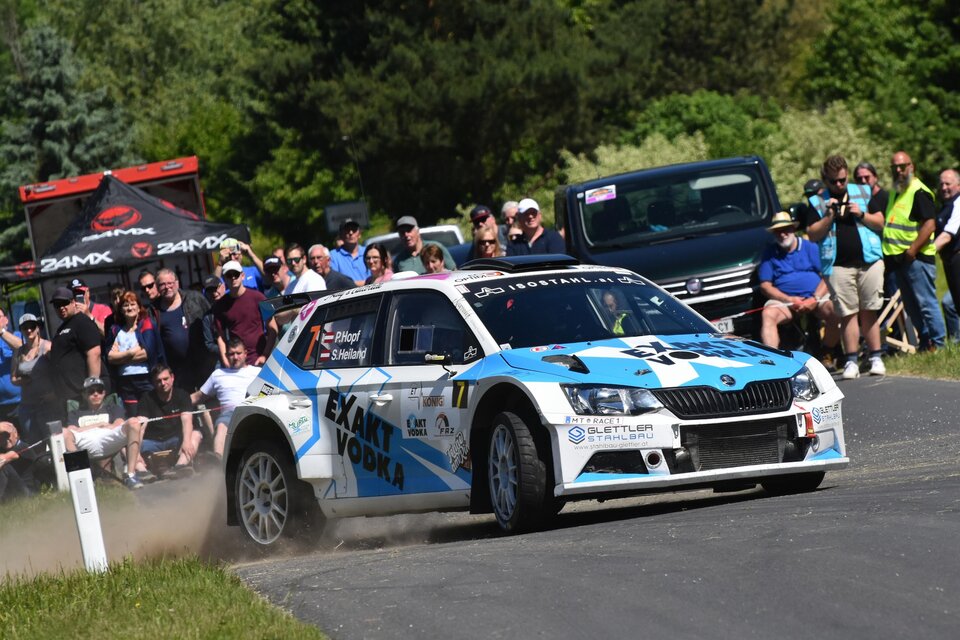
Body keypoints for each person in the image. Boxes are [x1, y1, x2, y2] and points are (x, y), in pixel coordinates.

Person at [803, 155, 885, 379]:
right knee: (848, 313)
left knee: (870, 309)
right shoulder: (818, 202)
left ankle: (876, 357)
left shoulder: (863, 192)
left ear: (847, 175)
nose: (839, 185)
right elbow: (812, 234)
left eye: (842, 180)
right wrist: (829, 216)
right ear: (825, 180)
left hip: (869, 261)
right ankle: (851, 361)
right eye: (834, 182)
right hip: (837, 265)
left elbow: (880, 221)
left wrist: (861, 213)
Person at [880, 151, 945, 351]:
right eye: (894, 167)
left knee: (926, 303)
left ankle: (940, 345)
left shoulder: (919, 191)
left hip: (916, 258)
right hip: (899, 260)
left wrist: (912, 250)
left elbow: (930, 225)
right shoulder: (896, 191)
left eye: (902, 166)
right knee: (911, 306)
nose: (898, 171)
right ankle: (926, 343)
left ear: (911, 166)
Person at [758, 212, 839, 350]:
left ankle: (827, 352)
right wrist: (788, 299)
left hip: (816, 298)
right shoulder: (769, 252)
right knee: (768, 313)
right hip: (786, 302)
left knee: (835, 310)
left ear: (793, 229)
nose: (782, 234)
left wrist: (815, 298)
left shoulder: (810, 246)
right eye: (777, 231)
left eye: (785, 229)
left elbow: (827, 276)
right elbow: (765, 286)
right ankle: (773, 361)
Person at [64, 377, 148, 490]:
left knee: (134, 422)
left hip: (109, 440)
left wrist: (88, 428)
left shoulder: (113, 408)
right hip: (85, 443)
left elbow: (119, 423)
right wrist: (99, 425)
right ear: (84, 394)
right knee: (64, 433)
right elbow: (71, 430)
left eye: (99, 390)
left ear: (104, 393)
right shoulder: (76, 412)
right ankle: (81, 480)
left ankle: (131, 475)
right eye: (91, 391)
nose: (96, 394)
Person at [190, 337, 261, 460]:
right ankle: (217, 461)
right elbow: (198, 397)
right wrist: (176, 403)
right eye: (231, 354)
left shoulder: (258, 372)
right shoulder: (218, 374)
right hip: (229, 415)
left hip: (253, 412)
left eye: (238, 353)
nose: (235, 357)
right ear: (226, 355)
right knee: (222, 426)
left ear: (245, 354)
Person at [106, 291, 164, 417]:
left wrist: (121, 356)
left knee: (151, 415)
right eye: (125, 305)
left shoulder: (146, 325)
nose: (130, 308)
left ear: (139, 307)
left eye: (133, 304)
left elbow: (146, 353)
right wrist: (131, 352)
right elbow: (110, 357)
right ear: (121, 309)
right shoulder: (115, 330)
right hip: (125, 382)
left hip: (146, 378)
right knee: (134, 418)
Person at [138, 363, 201, 478]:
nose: (162, 383)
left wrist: (186, 441)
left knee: (195, 434)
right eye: (158, 381)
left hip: (175, 439)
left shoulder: (183, 395)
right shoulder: (146, 398)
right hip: (152, 441)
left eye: (165, 379)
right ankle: (142, 473)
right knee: (127, 442)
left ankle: (180, 467)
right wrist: (136, 452)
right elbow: (141, 427)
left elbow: (187, 420)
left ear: (172, 378)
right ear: (153, 382)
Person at [155, 268, 212, 391]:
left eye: (170, 283)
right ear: (157, 287)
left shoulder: (195, 298)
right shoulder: (154, 310)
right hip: (178, 370)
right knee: (187, 405)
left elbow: (212, 321)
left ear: (177, 283)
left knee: (210, 401)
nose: (167, 287)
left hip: (203, 362)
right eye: (162, 284)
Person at [212, 260, 277, 366]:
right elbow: (221, 337)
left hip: (259, 361)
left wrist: (265, 355)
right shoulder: (220, 305)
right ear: (224, 279)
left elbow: (273, 328)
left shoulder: (259, 297)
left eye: (236, 274)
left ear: (242, 276)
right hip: (237, 363)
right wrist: (227, 362)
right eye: (229, 275)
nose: (233, 278)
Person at [49, 286, 102, 410]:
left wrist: (92, 388)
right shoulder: (63, 327)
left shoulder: (82, 321)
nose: (61, 307)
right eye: (57, 305)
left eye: (65, 303)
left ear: (73, 302)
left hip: (82, 394)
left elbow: (94, 353)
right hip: (68, 395)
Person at [10, 313, 54, 444]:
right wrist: (22, 381)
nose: (29, 330)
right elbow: (13, 378)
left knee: (53, 440)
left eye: (32, 326)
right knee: (35, 443)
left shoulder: (47, 347)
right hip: (27, 405)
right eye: (25, 327)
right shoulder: (18, 352)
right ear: (21, 330)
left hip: (47, 403)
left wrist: (54, 393)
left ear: (37, 328)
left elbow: (58, 372)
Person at [934, 169, 960, 339]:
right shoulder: (946, 206)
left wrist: (926, 252)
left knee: (951, 303)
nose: (944, 187)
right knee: (953, 303)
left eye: (948, 184)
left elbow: (947, 234)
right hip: (950, 261)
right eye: (941, 184)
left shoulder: (959, 203)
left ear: (958, 185)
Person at [0, 421, 42, 501]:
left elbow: (9, 457)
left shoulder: (23, 447)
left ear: (15, 433)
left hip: (28, 492)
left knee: (4, 466)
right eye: (1, 437)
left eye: (7, 435)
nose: (6, 439)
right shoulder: (3, 450)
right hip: (12, 492)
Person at [330, 219, 370, 286]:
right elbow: (335, 282)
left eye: (354, 229)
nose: (351, 233)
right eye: (347, 230)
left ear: (359, 234)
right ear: (340, 235)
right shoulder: (333, 256)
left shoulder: (368, 252)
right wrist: (366, 283)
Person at [0, 307, 23, 423]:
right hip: (1, 407)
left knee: (28, 439)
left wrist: (1, 332)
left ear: (6, 320)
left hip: (21, 403)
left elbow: (20, 346)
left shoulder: (17, 335)